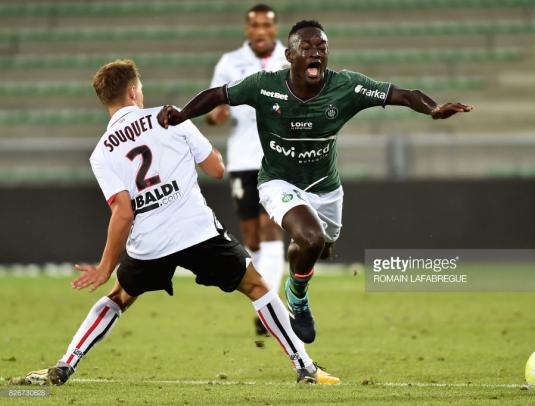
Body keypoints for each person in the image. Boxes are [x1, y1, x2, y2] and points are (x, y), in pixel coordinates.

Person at [14, 59, 339, 386]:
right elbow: (215, 169)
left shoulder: (101, 153)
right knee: (256, 286)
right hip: (196, 231)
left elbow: (123, 212)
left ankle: (66, 364)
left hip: (149, 243)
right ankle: (305, 367)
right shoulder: (168, 117)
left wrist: (105, 265)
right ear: (132, 91)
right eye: (139, 87)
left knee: (118, 297)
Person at [157, 20, 473, 344]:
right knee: (310, 238)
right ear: (289, 55)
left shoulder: (346, 86)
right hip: (278, 183)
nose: (315, 54)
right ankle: (298, 298)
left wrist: (433, 109)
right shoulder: (264, 86)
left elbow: (403, 95)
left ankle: (299, 274)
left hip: (326, 189)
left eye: (321, 48)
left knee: (319, 246)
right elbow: (218, 94)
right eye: (306, 48)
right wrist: (182, 114)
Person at [207, 4, 288, 336]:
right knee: (252, 238)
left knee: (271, 230)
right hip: (242, 159)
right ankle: (266, 300)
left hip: (279, 158)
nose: (260, 31)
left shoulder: (290, 58)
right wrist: (217, 115)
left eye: (266, 25)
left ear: (275, 28)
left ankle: (267, 308)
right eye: (254, 25)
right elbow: (211, 110)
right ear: (247, 29)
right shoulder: (230, 62)